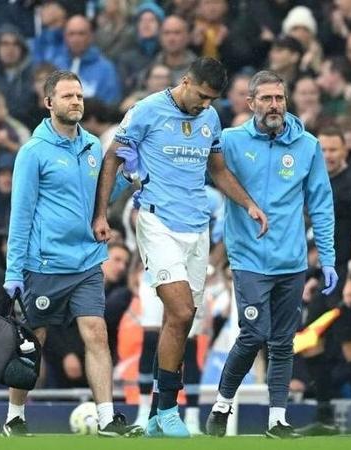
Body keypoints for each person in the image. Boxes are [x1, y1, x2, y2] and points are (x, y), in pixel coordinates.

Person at [92, 57, 268, 438]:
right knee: (181, 308)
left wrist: (248, 203)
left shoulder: (210, 118)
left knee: (181, 321)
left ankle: (157, 415)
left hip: (197, 228)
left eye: (213, 100)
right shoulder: (146, 110)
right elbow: (112, 158)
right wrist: (100, 215)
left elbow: (218, 170)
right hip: (157, 222)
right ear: (186, 82)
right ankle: (170, 408)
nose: (206, 105)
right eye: (202, 96)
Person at [2, 70, 139, 437]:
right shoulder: (33, 152)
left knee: (95, 332)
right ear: (49, 103)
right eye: (67, 97)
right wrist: (13, 272)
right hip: (45, 263)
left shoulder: (93, 145)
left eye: (79, 96)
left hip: (87, 260)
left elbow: (98, 201)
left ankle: (108, 417)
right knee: (35, 341)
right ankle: (15, 416)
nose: (76, 101)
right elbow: (21, 213)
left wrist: (126, 178)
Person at [205, 70, 338, 439]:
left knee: (282, 342)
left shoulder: (307, 146)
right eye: (266, 99)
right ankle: (222, 402)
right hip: (248, 259)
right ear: (250, 104)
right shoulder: (229, 141)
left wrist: (326, 258)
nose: (274, 105)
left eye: (279, 98)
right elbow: (197, 171)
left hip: (292, 262)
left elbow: (322, 205)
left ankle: (276, 420)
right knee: (253, 334)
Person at [300, 126, 351, 436]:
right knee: (309, 342)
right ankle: (324, 418)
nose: (329, 155)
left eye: (334, 149)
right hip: (330, 276)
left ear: (345, 150)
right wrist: (315, 276)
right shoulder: (319, 184)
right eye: (324, 150)